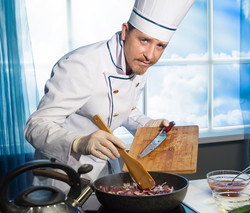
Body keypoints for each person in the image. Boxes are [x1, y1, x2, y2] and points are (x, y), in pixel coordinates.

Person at [24, 0, 195, 191]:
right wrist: (79, 142)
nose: (150, 55)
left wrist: (147, 126)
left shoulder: (139, 62)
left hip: (104, 173)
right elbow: (35, 127)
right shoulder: (80, 65)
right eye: (144, 40)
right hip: (63, 175)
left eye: (160, 46)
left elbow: (120, 108)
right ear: (125, 31)